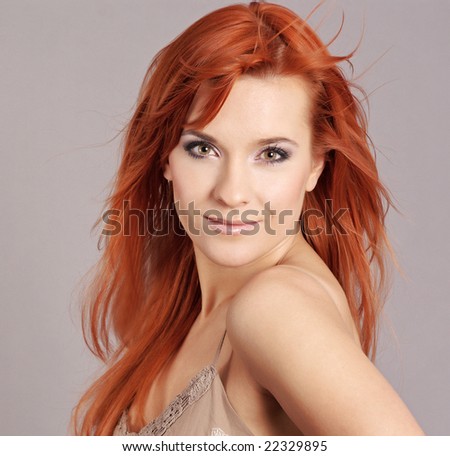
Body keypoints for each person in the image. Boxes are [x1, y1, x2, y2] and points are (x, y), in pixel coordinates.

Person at [71, 1, 424, 436]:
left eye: (271, 154)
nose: (232, 193)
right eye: (203, 149)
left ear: (316, 165)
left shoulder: (276, 308)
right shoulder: (187, 306)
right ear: (165, 156)